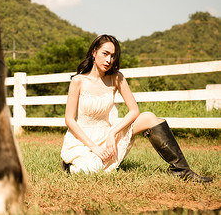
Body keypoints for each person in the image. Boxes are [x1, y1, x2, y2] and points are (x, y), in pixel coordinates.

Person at [60, 34, 212, 183]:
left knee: (149, 117)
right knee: (91, 170)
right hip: (82, 140)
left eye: (113, 56)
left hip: (107, 136)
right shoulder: (78, 81)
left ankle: (181, 170)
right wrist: (94, 147)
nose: (109, 60)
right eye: (105, 54)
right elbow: (69, 120)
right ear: (94, 52)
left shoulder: (117, 78)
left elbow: (134, 110)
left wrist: (112, 133)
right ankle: (71, 163)